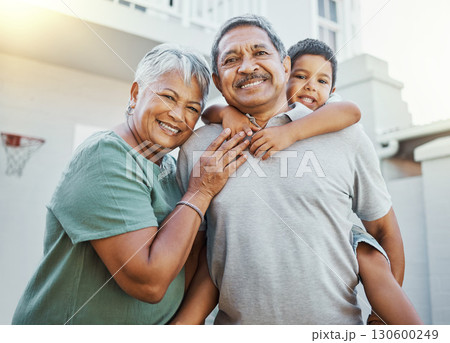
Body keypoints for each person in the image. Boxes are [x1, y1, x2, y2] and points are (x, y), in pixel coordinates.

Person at [174, 15, 415, 324]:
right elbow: (194, 253)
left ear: (285, 66)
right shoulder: (197, 147)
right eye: (232, 59)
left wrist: (381, 322)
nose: (247, 67)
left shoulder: (345, 134)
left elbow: (383, 232)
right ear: (218, 81)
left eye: (260, 53)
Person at [11, 43, 249, 324]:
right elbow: (148, 282)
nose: (177, 115)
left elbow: (191, 261)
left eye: (191, 108)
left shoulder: (170, 170)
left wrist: (222, 113)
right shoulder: (106, 155)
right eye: (168, 97)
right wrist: (200, 192)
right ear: (136, 94)